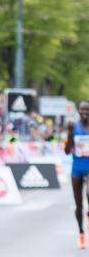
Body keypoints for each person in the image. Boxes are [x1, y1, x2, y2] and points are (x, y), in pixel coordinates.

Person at [65, 101, 89, 249]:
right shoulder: (73, 127)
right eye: (82, 109)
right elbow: (67, 151)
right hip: (77, 168)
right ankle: (81, 233)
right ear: (78, 111)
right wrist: (68, 134)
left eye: (87, 110)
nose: (85, 112)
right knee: (78, 205)